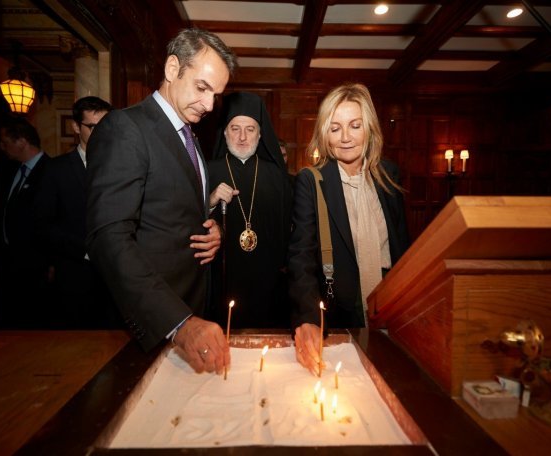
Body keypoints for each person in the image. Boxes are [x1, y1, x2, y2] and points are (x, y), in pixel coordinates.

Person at [86, 28, 237, 374]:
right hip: (151, 324)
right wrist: (178, 323)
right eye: (202, 88)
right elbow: (108, 238)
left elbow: (174, 209)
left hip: (189, 313)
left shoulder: (189, 135)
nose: (209, 105)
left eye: (215, 95)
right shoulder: (125, 128)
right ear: (172, 69)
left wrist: (213, 228)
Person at [288, 83, 410, 375]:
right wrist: (308, 318)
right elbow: (301, 257)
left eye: (355, 126)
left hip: (393, 306)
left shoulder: (388, 174)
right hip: (343, 312)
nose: (345, 137)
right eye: (335, 128)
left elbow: (403, 246)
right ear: (324, 134)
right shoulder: (312, 181)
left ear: (369, 128)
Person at [207, 92, 293, 328]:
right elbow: (185, 222)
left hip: (269, 287)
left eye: (250, 129)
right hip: (221, 284)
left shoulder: (278, 177)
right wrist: (210, 201)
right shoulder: (207, 171)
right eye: (235, 129)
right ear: (225, 133)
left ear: (260, 134)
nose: (242, 137)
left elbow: (291, 234)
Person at [33, 96, 119, 328]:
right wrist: (85, 250)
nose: (101, 133)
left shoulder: (124, 166)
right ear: (76, 127)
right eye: (93, 127)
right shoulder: (55, 169)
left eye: (106, 126)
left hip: (116, 279)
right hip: (74, 278)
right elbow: (42, 226)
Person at [0, 116, 52, 328]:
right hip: (11, 264)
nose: (1, 147)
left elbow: (54, 220)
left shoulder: (51, 171)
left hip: (37, 266)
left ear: (21, 141)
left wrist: (51, 263)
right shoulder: (9, 171)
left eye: (5, 142)